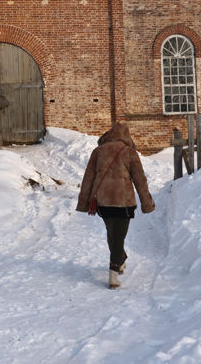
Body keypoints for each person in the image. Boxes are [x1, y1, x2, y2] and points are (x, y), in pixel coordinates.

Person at [76, 121, 155, 289]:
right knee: (119, 236)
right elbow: (140, 180)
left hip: (102, 202)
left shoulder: (98, 152)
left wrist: (84, 202)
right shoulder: (129, 152)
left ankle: (120, 258)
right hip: (123, 202)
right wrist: (146, 203)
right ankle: (113, 273)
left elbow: (88, 179)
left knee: (112, 233)